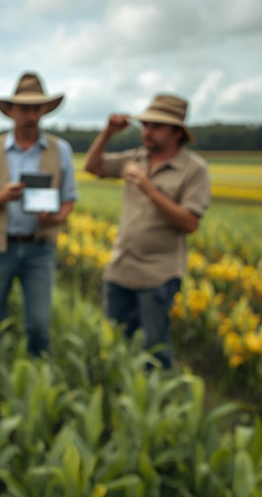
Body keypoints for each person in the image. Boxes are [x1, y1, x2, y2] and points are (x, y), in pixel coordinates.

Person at [84, 94, 211, 369]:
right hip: (121, 267)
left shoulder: (194, 169)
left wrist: (148, 188)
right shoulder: (136, 158)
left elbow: (189, 223)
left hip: (159, 274)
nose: (147, 132)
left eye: (156, 126)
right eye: (145, 125)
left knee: (155, 350)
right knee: (115, 344)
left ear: (177, 132)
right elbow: (93, 166)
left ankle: (157, 404)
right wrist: (108, 132)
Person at [0, 72, 78, 357]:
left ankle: (36, 377)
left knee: (39, 324)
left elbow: (69, 199)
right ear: (11, 111)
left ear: (44, 111)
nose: (30, 115)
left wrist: (55, 218)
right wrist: (4, 196)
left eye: (36, 108)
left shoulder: (60, 150)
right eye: (24, 108)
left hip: (40, 249)